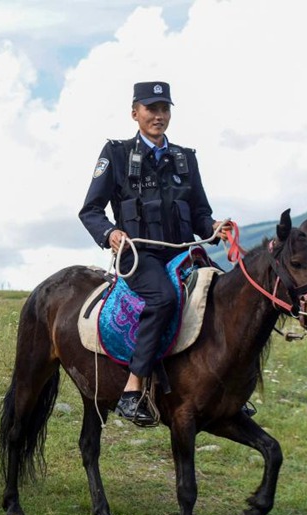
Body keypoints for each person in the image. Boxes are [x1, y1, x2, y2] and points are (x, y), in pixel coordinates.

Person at [78, 81, 229, 426]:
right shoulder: (115, 154)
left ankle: (221, 387)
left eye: (164, 109)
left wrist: (215, 227)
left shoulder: (185, 159)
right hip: (138, 256)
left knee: (223, 293)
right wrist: (110, 232)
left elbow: (200, 214)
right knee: (161, 299)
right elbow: (90, 211)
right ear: (135, 113)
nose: (158, 116)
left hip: (181, 254)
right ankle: (133, 390)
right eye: (151, 109)